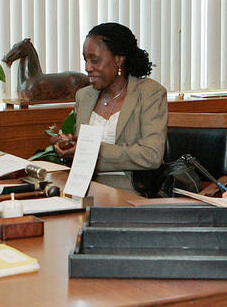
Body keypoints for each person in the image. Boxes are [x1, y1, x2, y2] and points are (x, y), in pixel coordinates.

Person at [51, 22, 168, 191]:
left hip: (128, 190)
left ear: (118, 59)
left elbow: (152, 155)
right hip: (82, 186)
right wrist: (68, 146)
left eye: (95, 60)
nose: (87, 68)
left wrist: (95, 151)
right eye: (85, 60)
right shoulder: (84, 96)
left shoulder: (149, 93)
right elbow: (80, 151)